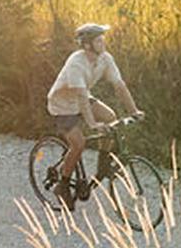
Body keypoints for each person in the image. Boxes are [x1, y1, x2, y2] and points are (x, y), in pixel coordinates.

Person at [45, 22, 140, 206]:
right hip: (62, 104)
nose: (103, 43)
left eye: (103, 39)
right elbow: (80, 96)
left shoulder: (105, 58)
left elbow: (119, 86)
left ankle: (102, 163)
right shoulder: (76, 63)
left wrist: (134, 111)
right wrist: (92, 124)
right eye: (98, 40)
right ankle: (63, 185)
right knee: (78, 144)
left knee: (111, 118)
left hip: (82, 97)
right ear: (87, 45)